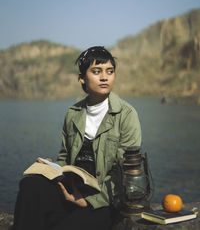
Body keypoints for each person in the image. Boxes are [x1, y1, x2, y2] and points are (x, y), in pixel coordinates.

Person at [13, 46, 141, 230]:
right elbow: (65, 157)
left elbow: (125, 175)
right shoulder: (74, 113)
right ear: (82, 78)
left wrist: (89, 201)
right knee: (30, 184)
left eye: (109, 71)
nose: (104, 77)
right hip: (72, 189)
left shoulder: (127, 115)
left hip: (104, 200)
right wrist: (52, 168)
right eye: (97, 71)